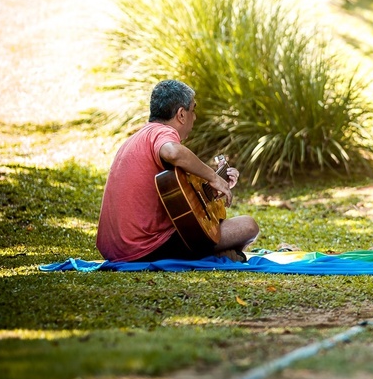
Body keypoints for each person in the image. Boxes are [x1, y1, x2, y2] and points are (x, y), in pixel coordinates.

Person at [97, 79, 259, 263]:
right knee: (249, 225)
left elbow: (178, 202)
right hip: (145, 247)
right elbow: (173, 152)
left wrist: (213, 187)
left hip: (114, 249)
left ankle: (216, 254)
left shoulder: (138, 138)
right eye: (193, 109)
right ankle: (214, 255)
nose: (195, 117)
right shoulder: (162, 133)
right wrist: (213, 176)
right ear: (182, 114)